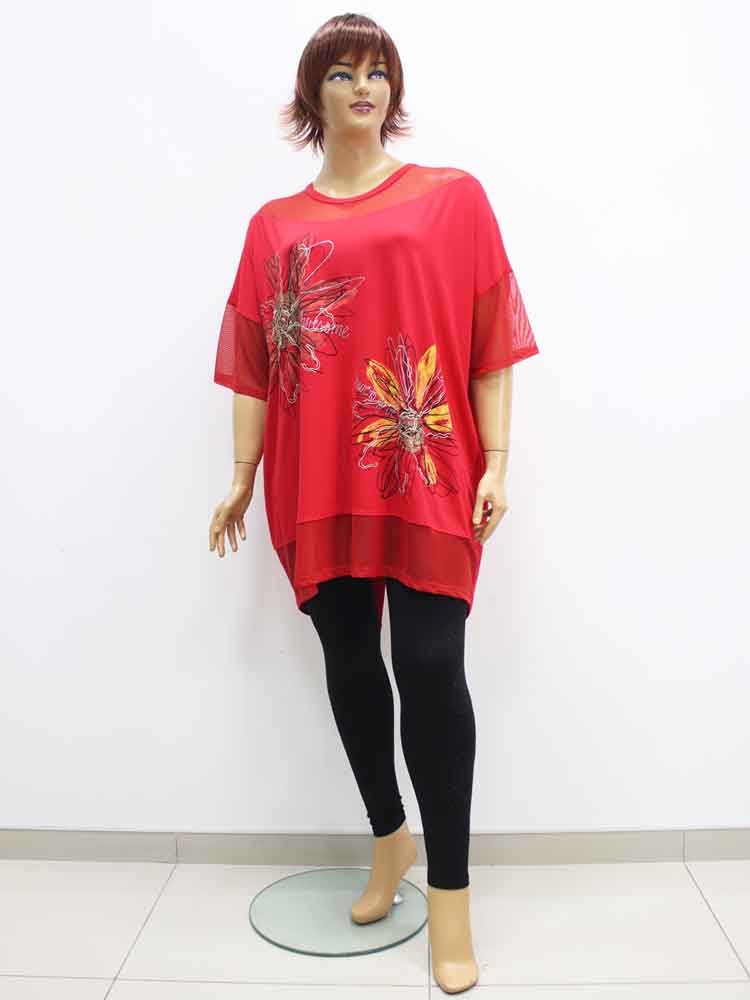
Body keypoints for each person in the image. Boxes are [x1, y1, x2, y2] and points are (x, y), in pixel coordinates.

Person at [208, 13, 539, 994]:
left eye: (378, 72)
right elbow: (254, 361)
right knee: (352, 663)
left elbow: (489, 330)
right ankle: (389, 837)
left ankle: (451, 899)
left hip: (425, 464)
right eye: (343, 73)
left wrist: (499, 458)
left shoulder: (450, 198)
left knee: (432, 667)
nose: (364, 87)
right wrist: (241, 475)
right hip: (317, 476)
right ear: (311, 95)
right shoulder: (275, 226)